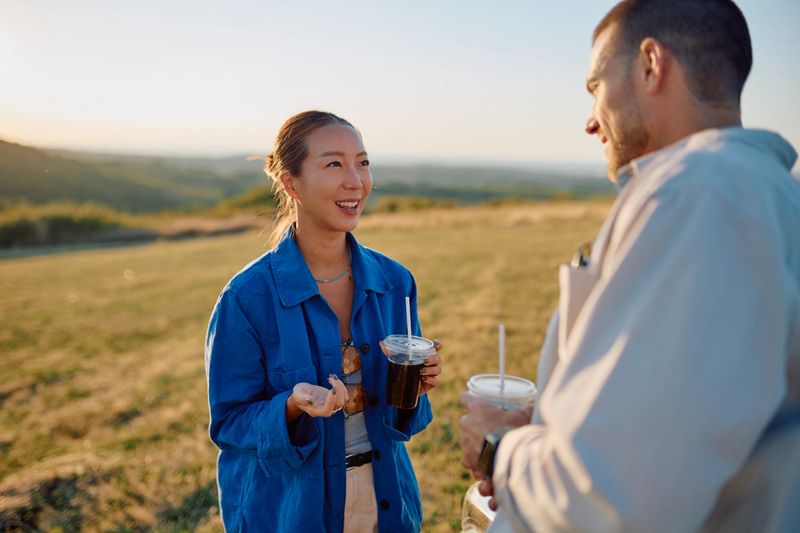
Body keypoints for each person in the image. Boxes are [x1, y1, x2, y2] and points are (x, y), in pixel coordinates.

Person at [459, 0, 800, 531]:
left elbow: (616, 493)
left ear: (650, 65)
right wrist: (556, 429)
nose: (591, 121)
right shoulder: (758, 193)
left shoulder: (700, 194)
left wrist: (501, 451)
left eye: (596, 86)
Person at [205, 110, 442, 532]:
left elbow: (405, 423)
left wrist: (415, 387)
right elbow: (229, 424)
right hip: (292, 510)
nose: (356, 180)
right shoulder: (245, 299)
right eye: (334, 163)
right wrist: (292, 407)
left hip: (385, 501)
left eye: (363, 162)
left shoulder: (395, 282)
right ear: (290, 182)